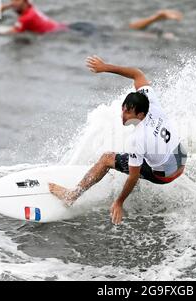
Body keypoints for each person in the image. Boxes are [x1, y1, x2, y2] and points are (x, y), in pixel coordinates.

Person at [49, 55, 187, 225]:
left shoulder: (138, 138)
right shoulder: (150, 100)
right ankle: (121, 169)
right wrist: (105, 67)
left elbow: (134, 177)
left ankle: (71, 196)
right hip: (180, 158)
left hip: (167, 175)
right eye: (124, 109)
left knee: (107, 158)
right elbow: (137, 74)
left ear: (141, 115)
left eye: (129, 113)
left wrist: (119, 202)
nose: (123, 115)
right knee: (134, 158)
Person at [0, 0, 183, 35]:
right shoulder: (30, 8)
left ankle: (155, 21)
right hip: (73, 25)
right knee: (120, 30)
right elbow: (0, 10)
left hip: (70, 31)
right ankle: (156, 18)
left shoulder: (25, 19)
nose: (11, 4)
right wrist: (9, 5)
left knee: (120, 33)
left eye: (14, 1)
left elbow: (11, 33)